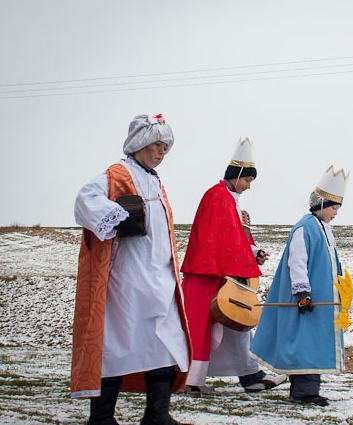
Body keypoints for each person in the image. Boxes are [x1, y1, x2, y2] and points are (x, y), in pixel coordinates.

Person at [72, 114, 192, 425]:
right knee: (117, 342)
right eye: (156, 145)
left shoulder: (154, 179)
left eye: (165, 147)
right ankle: (101, 418)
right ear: (139, 144)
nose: (161, 152)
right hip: (126, 277)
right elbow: (85, 200)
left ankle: (157, 413)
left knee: (167, 340)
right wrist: (118, 217)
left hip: (159, 276)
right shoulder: (117, 172)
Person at [180, 137, 286, 395]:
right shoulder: (216, 197)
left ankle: (249, 373)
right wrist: (245, 259)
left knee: (237, 324)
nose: (248, 187)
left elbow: (234, 238)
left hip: (223, 273)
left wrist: (253, 252)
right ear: (237, 175)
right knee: (205, 326)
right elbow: (217, 239)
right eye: (248, 180)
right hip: (208, 273)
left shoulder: (229, 199)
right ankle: (192, 380)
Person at [250, 165, 350, 407]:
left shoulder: (324, 229)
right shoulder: (305, 228)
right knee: (304, 342)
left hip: (319, 302)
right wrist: (302, 292)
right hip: (304, 300)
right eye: (334, 207)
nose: (336, 212)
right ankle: (303, 392)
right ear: (322, 205)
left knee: (313, 341)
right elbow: (297, 262)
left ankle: (308, 390)